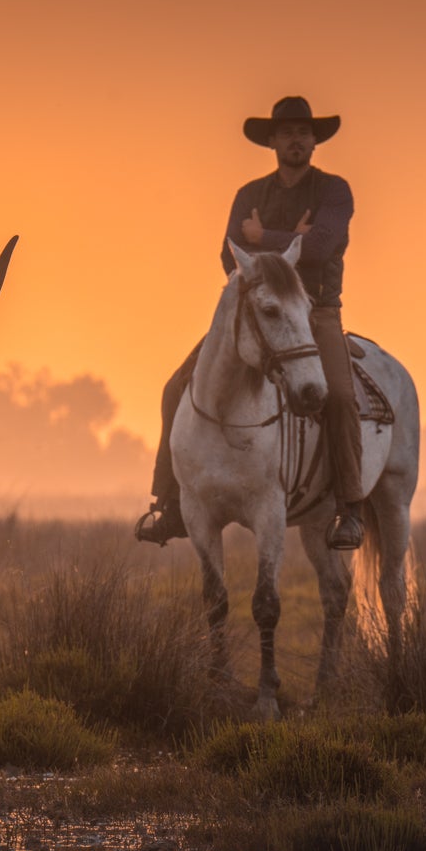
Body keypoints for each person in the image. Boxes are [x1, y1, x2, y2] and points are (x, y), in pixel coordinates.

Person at [135, 95, 366, 549]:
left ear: (314, 140)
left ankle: (351, 508)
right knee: (175, 387)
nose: (295, 140)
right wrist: (291, 241)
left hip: (313, 312)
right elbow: (229, 254)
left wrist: (264, 239)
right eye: (287, 133)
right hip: (254, 314)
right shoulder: (248, 194)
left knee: (338, 395)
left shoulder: (334, 191)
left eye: (303, 132)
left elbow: (319, 248)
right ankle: (169, 501)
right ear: (273, 142)